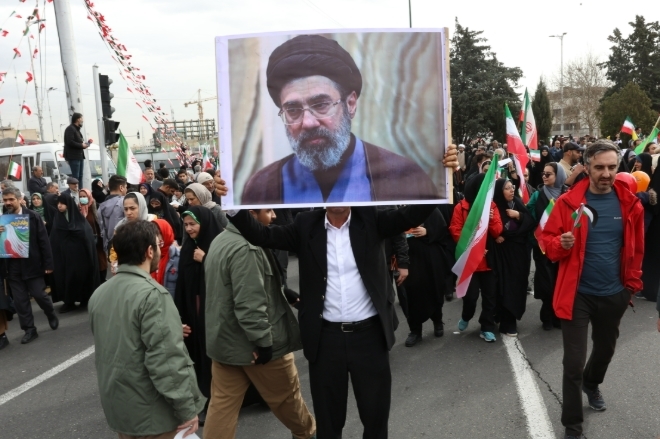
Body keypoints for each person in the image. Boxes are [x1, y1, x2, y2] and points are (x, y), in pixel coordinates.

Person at [227, 201, 437, 439]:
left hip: (369, 337)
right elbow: (262, 235)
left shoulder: (371, 218)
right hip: (325, 339)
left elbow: (410, 215)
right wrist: (232, 204)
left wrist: (439, 183)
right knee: (328, 422)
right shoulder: (306, 224)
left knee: (375, 418)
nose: (338, 198)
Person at [241, 34, 439, 204]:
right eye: (293, 109)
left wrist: (448, 169)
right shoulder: (262, 187)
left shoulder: (405, 177)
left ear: (350, 104)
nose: (308, 122)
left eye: (321, 105)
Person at [541, 140, 644, 439]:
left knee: (605, 351)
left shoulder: (630, 204)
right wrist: (560, 244)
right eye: (599, 167)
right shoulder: (568, 203)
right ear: (586, 168)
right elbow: (547, 243)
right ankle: (572, 426)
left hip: (614, 294)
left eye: (612, 167)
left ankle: (592, 383)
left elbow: (637, 249)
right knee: (572, 363)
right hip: (577, 295)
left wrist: (630, 287)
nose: (606, 173)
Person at [203, 208, 316, 439]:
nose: (273, 216)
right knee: (290, 402)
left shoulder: (221, 240)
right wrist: (264, 343)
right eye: (268, 210)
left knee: (221, 408)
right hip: (256, 347)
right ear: (252, 214)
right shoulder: (247, 247)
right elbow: (249, 304)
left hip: (225, 344)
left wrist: (282, 292)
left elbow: (233, 289)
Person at [88, 220, 205, 439]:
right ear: (149, 251)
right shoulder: (153, 295)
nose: (161, 251)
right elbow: (166, 361)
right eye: (158, 246)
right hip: (152, 410)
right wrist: (187, 408)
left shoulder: (100, 293)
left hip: (119, 405)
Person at [175, 206, 223, 424]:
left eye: (192, 224)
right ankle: (206, 398)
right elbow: (182, 284)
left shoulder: (218, 245)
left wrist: (206, 260)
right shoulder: (188, 247)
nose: (189, 229)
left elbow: (225, 277)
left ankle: (217, 400)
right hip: (194, 309)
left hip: (214, 310)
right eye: (185, 225)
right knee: (199, 354)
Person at [449, 173, 503, 343]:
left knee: (490, 297)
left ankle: (486, 327)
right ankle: (466, 316)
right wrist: (474, 249)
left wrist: (492, 220)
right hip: (470, 262)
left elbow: (497, 231)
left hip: (489, 261)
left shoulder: (492, 206)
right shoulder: (461, 207)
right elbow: (456, 231)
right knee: (470, 297)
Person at [0, 187, 57, 344]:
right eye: (5, 200)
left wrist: (48, 264)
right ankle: (29, 329)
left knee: (40, 295)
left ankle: (50, 313)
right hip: (12, 267)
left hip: (32, 265)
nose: (8, 203)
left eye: (11, 199)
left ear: (20, 199)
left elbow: (44, 242)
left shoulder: (33, 217)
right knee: (20, 301)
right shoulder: (3, 220)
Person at [491, 179, 535, 337]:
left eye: (512, 187)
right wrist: (496, 235)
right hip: (502, 253)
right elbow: (486, 228)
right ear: (499, 191)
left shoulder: (517, 203)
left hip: (519, 252)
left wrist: (519, 216)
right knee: (504, 287)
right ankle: (507, 322)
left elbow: (530, 222)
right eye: (507, 188)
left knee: (517, 285)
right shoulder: (494, 207)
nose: (511, 190)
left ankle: (511, 316)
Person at [526, 163, 567, 329]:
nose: (544, 176)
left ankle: (558, 316)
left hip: (563, 246)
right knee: (546, 282)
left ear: (559, 176)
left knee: (560, 282)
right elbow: (529, 216)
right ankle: (547, 316)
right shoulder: (537, 195)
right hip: (542, 246)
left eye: (548, 174)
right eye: (543, 173)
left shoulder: (567, 194)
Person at [403, 208, 451, 347]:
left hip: (431, 256)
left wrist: (428, 231)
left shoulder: (432, 210)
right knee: (412, 294)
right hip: (411, 257)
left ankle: (438, 321)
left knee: (435, 289)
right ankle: (415, 330)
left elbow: (443, 230)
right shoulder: (404, 212)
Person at [50, 192, 100, 313]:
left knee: (81, 276)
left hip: (80, 257)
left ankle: (84, 299)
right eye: (58, 203)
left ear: (69, 204)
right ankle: (69, 301)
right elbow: (54, 238)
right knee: (65, 277)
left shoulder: (79, 219)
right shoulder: (58, 220)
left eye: (62, 203)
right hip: (64, 257)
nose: (59, 206)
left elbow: (86, 235)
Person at [80, 188, 108, 283]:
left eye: (84, 196)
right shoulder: (78, 209)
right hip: (84, 241)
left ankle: (102, 280)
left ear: (89, 196)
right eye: (80, 197)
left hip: (97, 240)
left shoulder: (95, 207)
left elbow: (101, 223)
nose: (82, 198)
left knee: (100, 261)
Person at [98, 175, 127, 259]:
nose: (126, 189)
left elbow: (101, 227)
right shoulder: (124, 202)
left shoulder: (101, 206)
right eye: (126, 187)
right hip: (124, 245)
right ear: (121, 188)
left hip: (109, 246)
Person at [151, 219, 177, 297]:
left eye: (157, 234)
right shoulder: (148, 256)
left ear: (166, 233)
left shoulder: (177, 257)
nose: (155, 238)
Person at [63, 112, 89, 183]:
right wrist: (81, 145)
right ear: (78, 119)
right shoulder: (70, 129)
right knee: (76, 177)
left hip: (79, 156)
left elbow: (78, 142)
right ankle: (76, 189)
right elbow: (70, 141)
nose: (82, 120)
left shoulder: (77, 129)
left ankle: (80, 190)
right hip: (73, 156)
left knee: (80, 176)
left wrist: (84, 145)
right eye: (81, 118)